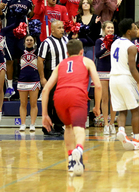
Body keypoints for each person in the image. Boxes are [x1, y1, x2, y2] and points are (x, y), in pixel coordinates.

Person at [41, 39, 102, 175]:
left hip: (59, 97)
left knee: (68, 127)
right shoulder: (87, 61)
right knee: (79, 128)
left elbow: (45, 90)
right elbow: (98, 85)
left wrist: (45, 115)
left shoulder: (60, 64)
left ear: (67, 53)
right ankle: (79, 150)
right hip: (77, 95)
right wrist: (97, 107)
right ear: (82, 52)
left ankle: (71, 160)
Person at [110, 19, 139, 151]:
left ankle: (121, 130)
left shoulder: (114, 43)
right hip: (125, 79)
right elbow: (132, 69)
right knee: (135, 110)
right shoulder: (131, 46)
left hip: (113, 79)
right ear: (128, 31)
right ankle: (137, 140)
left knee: (122, 109)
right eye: (134, 28)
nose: (136, 30)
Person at [0, 0, 33, 97]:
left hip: (23, 35)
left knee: (26, 59)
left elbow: (30, 15)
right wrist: (0, 7)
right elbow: (1, 15)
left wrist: (35, 8)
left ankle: (25, 84)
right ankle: (9, 87)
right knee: (9, 60)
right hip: (9, 34)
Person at [37, 20, 69, 136]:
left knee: (61, 101)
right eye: (59, 28)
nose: (62, 30)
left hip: (64, 75)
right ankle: (47, 127)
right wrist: (42, 78)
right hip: (51, 74)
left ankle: (59, 125)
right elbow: (40, 60)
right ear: (53, 30)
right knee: (51, 102)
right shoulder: (46, 42)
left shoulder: (66, 40)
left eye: (62, 27)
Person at [94, 21, 116, 135]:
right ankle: (106, 124)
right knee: (105, 98)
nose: (110, 29)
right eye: (108, 28)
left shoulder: (117, 40)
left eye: (112, 28)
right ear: (104, 29)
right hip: (102, 70)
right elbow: (97, 55)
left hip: (114, 70)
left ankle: (112, 123)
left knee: (114, 98)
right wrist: (107, 46)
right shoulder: (99, 41)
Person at [18, 35, 40, 132]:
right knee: (23, 103)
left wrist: (37, 34)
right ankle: (23, 124)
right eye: (27, 40)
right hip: (22, 80)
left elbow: (40, 43)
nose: (29, 41)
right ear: (24, 42)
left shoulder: (37, 52)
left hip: (34, 80)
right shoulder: (20, 52)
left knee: (33, 103)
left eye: (31, 40)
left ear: (34, 42)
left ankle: (32, 124)